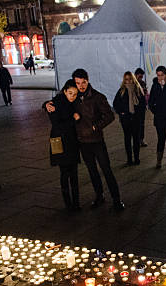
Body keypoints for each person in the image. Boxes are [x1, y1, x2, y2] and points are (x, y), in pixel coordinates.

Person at [46, 69, 124, 210]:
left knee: (106, 170)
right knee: (92, 171)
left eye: (83, 82)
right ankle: (99, 196)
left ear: (88, 80)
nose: (81, 86)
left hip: (96, 140)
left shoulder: (97, 97)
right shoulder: (74, 96)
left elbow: (110, 116)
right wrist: (46, 104)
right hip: (82, 142)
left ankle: (116, 199)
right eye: (78, 83)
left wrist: (95, 127)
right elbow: (58, 101)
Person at [46, 79, 81, 212]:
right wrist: (74, 119)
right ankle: (68, 204)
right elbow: (57, 125)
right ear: (65, 91)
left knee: (73, 173)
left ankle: (76, 203)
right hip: (59, 141)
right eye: (70, 93)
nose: (73, 96)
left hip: (71, 141)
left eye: (75, 94)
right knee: (65, 173)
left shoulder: (73, 103)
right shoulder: (56, 104)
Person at [113, 71, 146, 166]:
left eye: (130, 78)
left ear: (133, 79)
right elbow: (115, 104)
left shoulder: (138, 90)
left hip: (136, 119)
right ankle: (129, 160)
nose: (128, 81)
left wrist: (140, 115)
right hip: (126, 119)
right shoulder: (121, 91)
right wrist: (121, 112)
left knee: (136, 139)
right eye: (126, 79)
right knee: (127, 139)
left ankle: (136, 159)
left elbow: (143, 104)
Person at [134, 68, 149, 147]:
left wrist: (145, 92)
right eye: (139, 77)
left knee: (142, 124)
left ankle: (141, 140)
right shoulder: (132, 83)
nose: (141, 78)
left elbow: (145, 94)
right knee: (135, 125)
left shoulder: (142, 83)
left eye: (142, 77)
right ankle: (136, 140)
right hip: (135, 108)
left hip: (142, 107)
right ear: (135, 75)